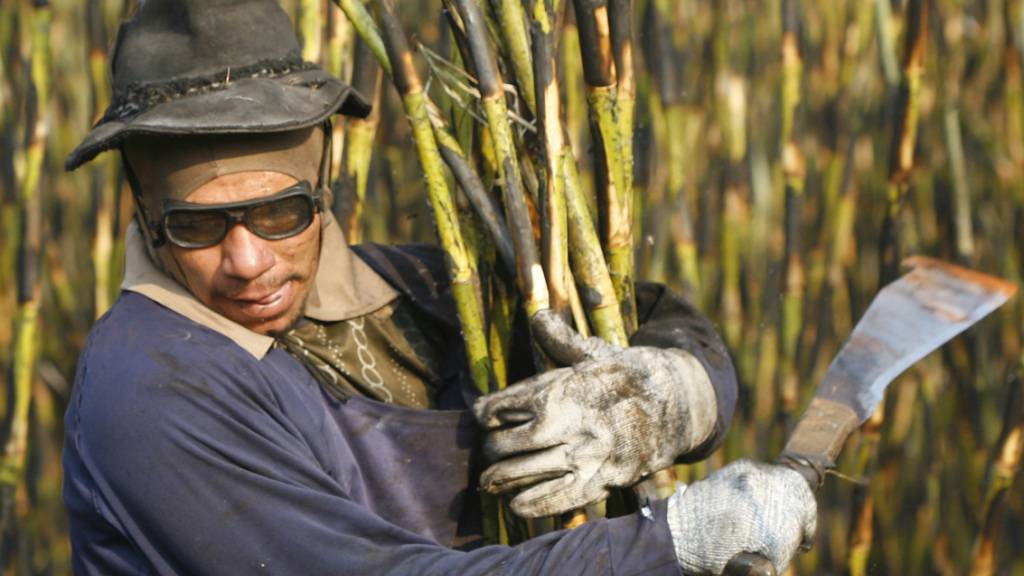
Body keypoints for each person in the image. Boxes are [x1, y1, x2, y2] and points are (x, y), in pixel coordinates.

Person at [62, 1, 817, 574]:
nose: (248, 260)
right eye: (197, 226)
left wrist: (672, 397)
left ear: (323, 181)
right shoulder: (148, 392)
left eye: (280, 213)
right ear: (145, 210)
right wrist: (673, 542)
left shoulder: (417, 289)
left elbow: (650, 319)